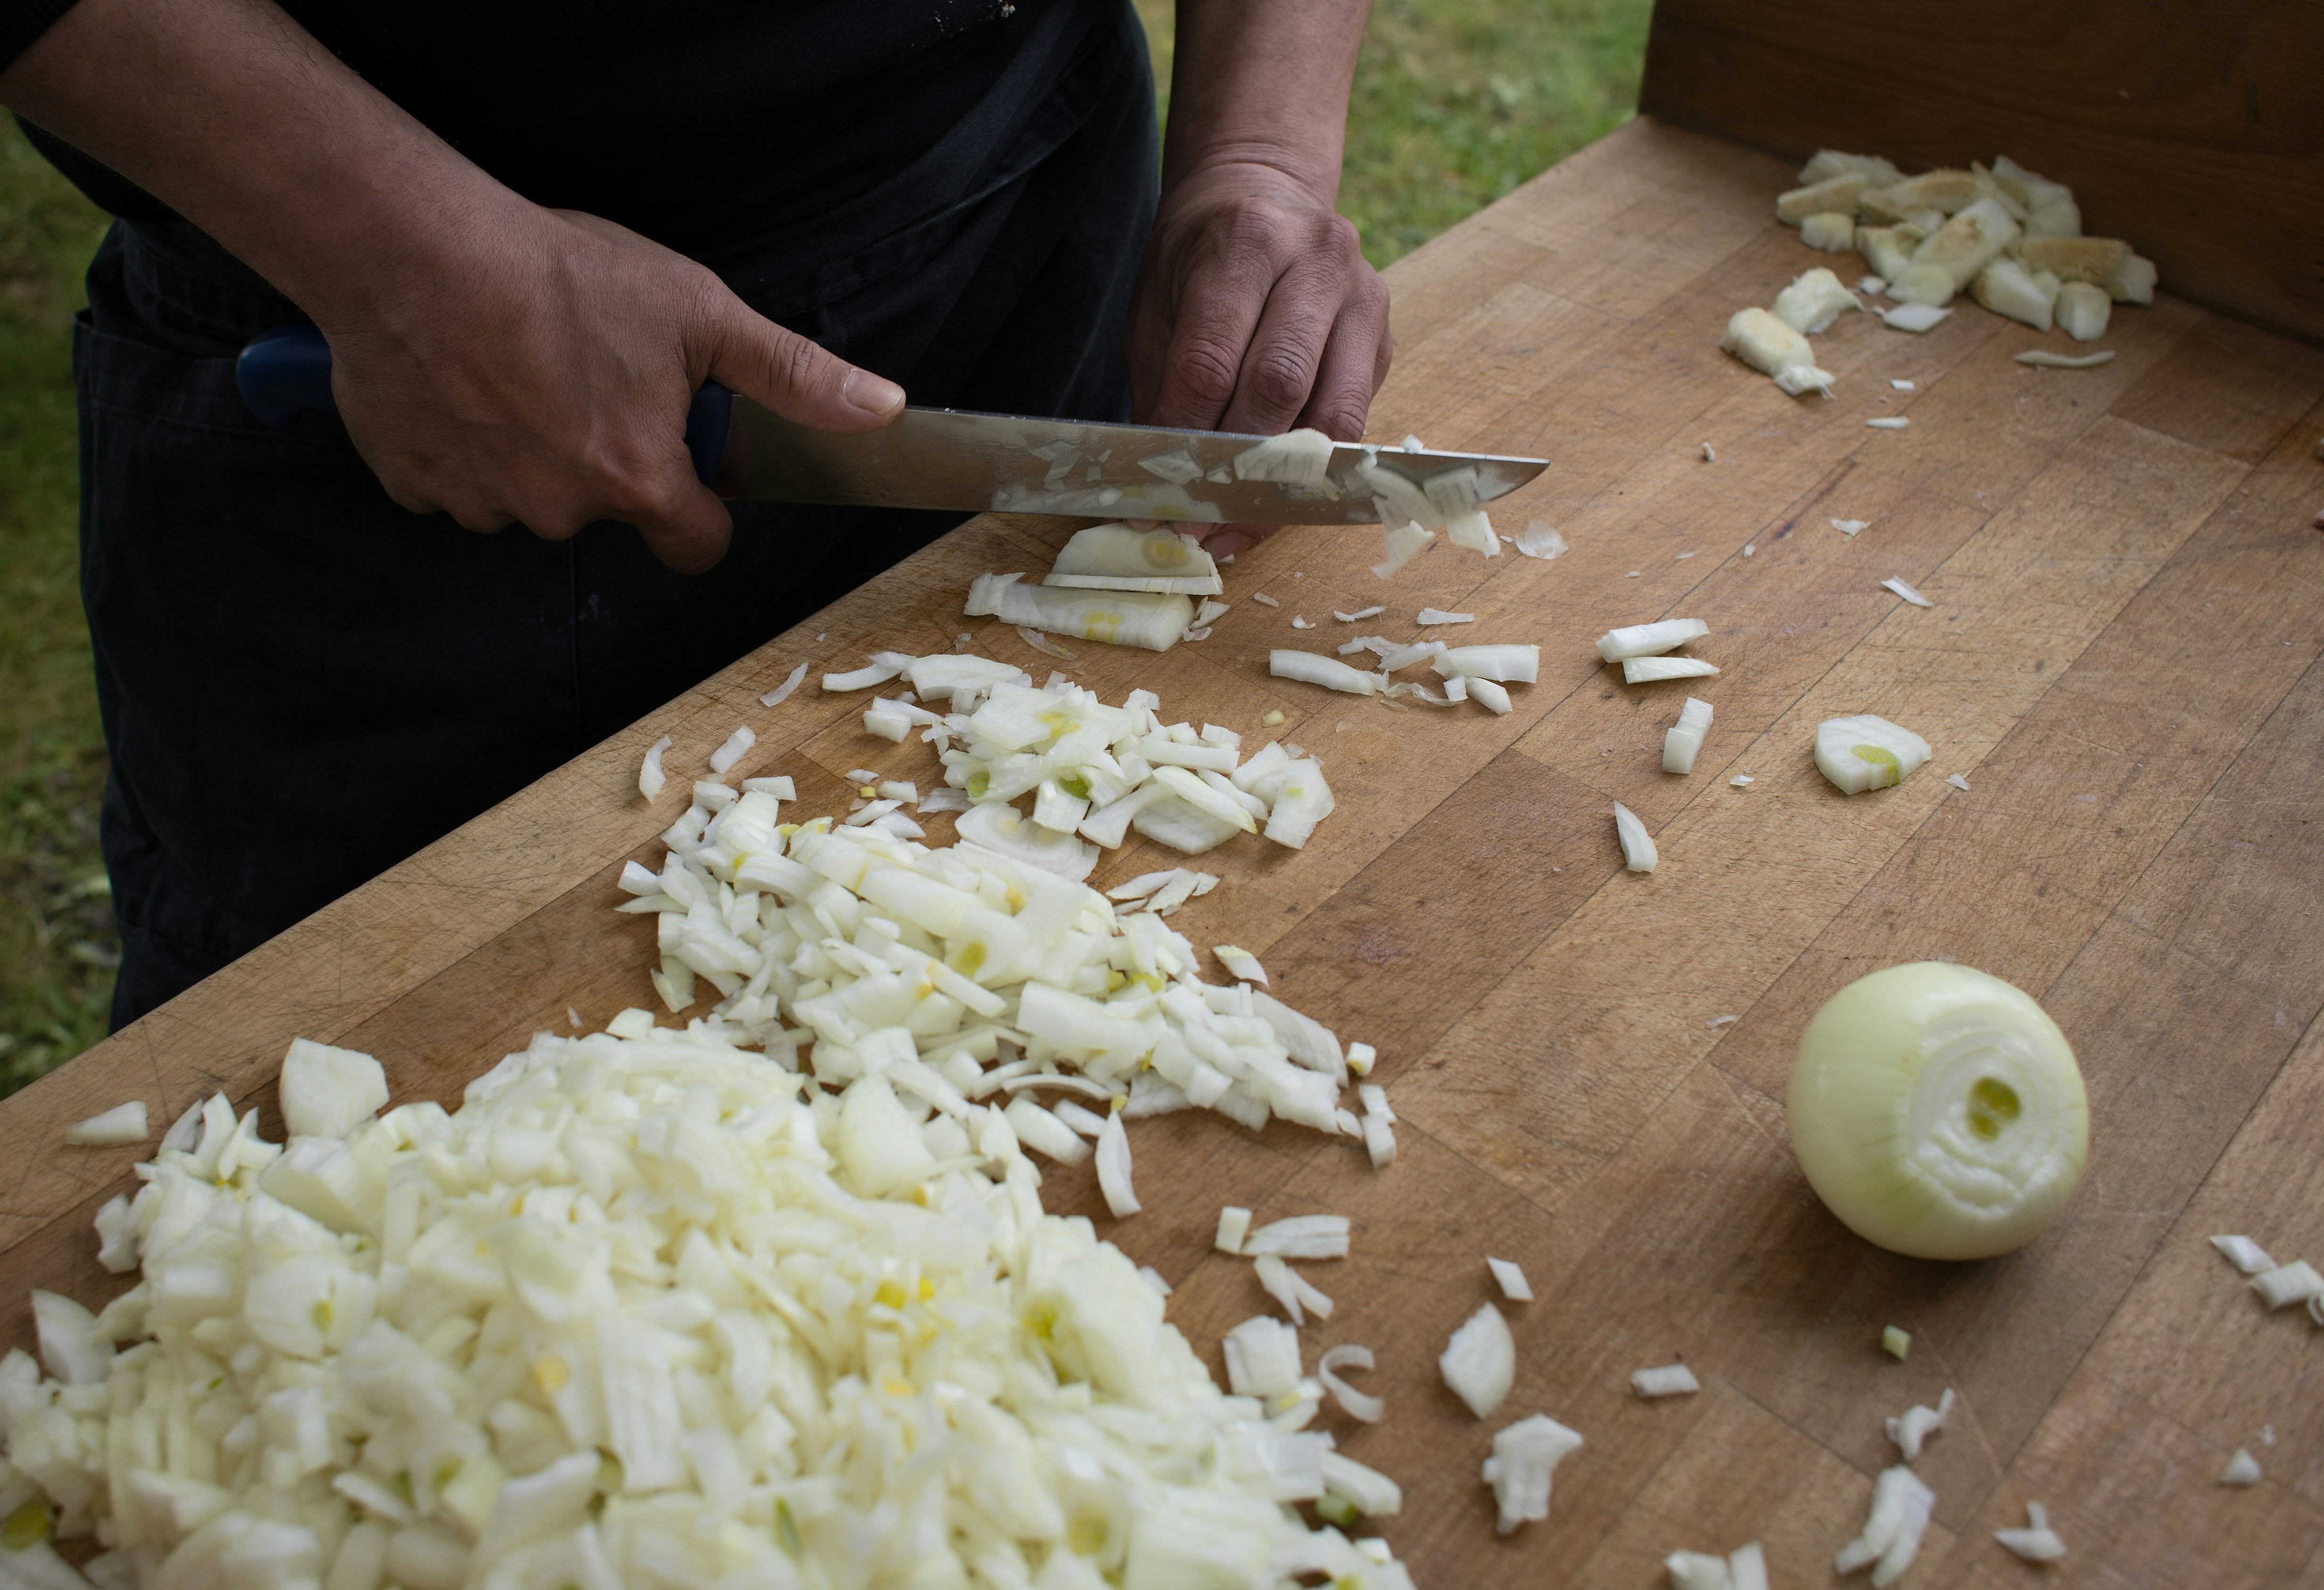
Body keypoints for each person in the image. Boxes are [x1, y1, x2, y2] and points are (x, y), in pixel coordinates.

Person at [0, 0, 1392, 1028]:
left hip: (1009, 223)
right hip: (387, 348)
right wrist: (396, 253)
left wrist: (1260, 153)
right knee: (343, 1066)